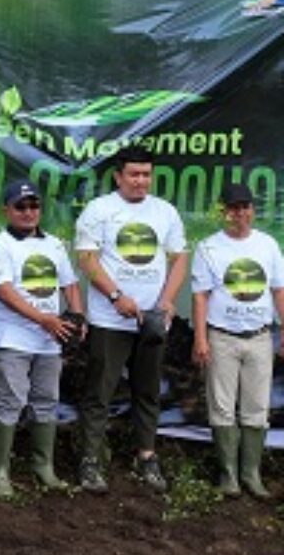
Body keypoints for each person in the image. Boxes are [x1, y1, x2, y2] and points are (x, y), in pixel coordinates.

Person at [75, 145, 187, 493]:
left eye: (146, 175)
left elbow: (180, 257)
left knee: (148, 391)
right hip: (110, 320)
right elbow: (87, 259)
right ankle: (91, 460)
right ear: (118, 176)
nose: (141, 181)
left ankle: (146, 457)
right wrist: (115, 296)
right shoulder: (100, 210)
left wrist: (167, 301)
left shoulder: (165, 212)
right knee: (100, 392)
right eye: (134, 175)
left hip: (152, 322)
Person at [0, 179, 83, 499]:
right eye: (20, 206)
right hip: (13, 337)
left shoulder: (54, 244)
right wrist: (44, 319)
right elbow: (3, 291)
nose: (28, 212)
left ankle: (43, 466)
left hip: (49, 340)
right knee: (10, 400)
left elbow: (69, 284)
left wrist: (77, 316)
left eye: (33, 206)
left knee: (46, 401)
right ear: (7, 210)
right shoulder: (0, 245)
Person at [191, 182, 284, 498]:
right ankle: (228, 475)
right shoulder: (208, 248)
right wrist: (200, 338)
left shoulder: (268, 245)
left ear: (252, 211)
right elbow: (200, 297)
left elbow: (278, 291)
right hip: (222, 337)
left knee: (257, 407)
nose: (239, 214)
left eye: (244, 207)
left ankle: (252, 474)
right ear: (223, 211)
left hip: (259, 337)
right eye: (232, 208)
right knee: (222, 406)